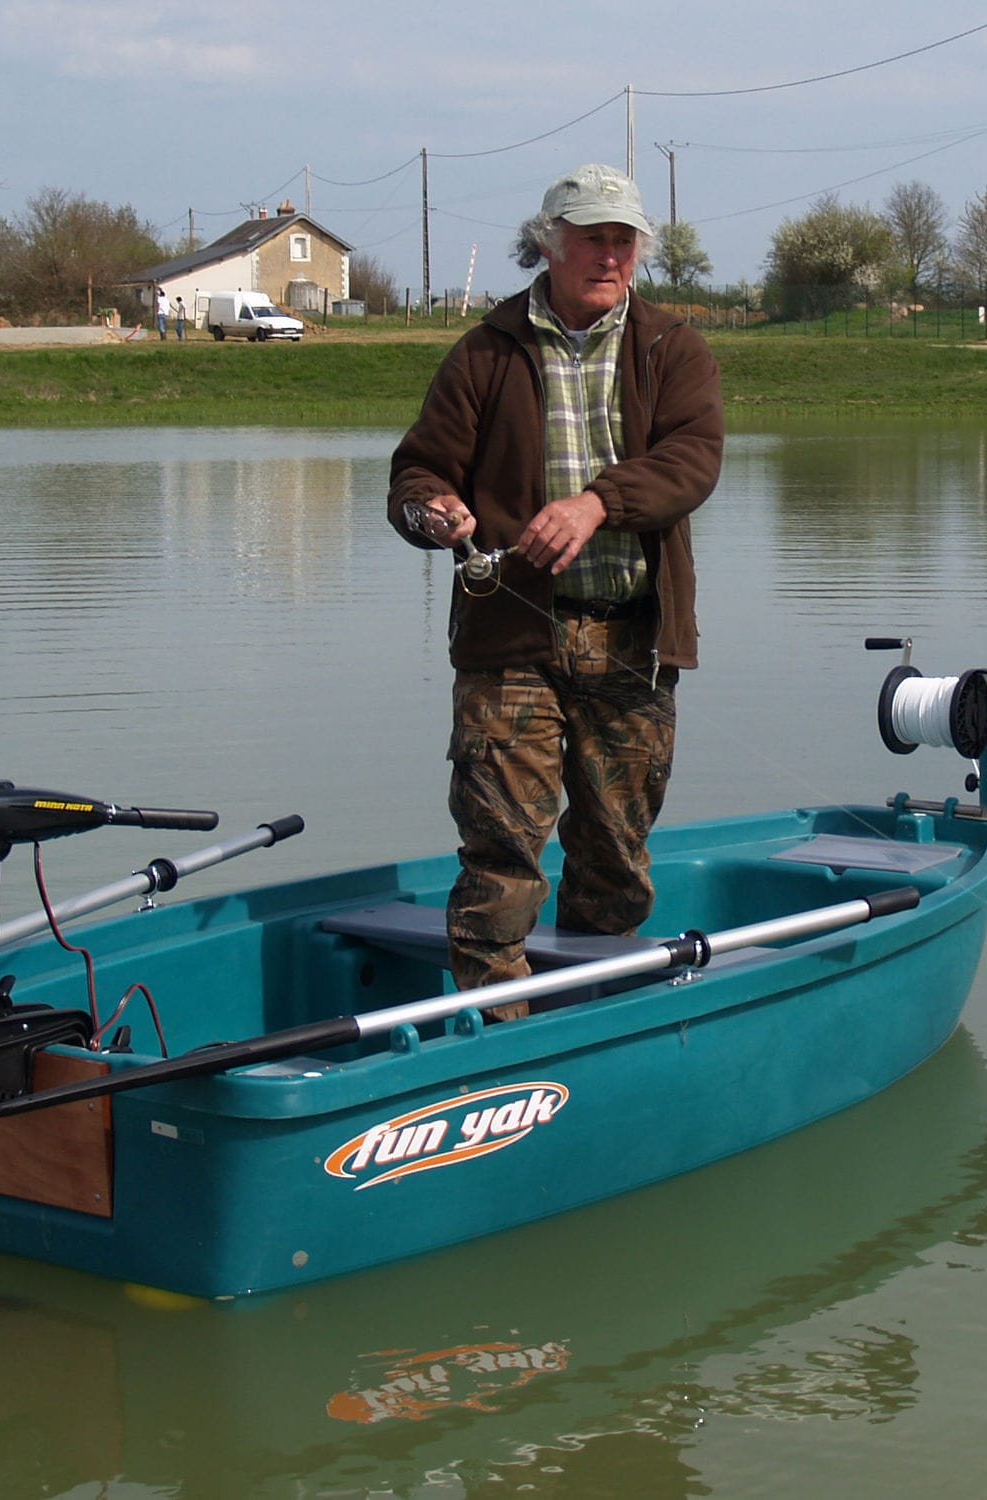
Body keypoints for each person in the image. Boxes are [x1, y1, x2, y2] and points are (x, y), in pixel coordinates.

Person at [388, 163, 724, 1016]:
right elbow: (416, 473)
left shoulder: (671, 347)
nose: (610, 255)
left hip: (632, 641)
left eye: (623, 239)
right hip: (511, 644)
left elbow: (694, 462)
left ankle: (593, 1027)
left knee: (615, 856)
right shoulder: (485, 352)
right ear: (550, 242)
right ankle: (497, 1041)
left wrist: (596, 504)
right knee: (501, 854)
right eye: (592, 238)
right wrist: (435, 512)